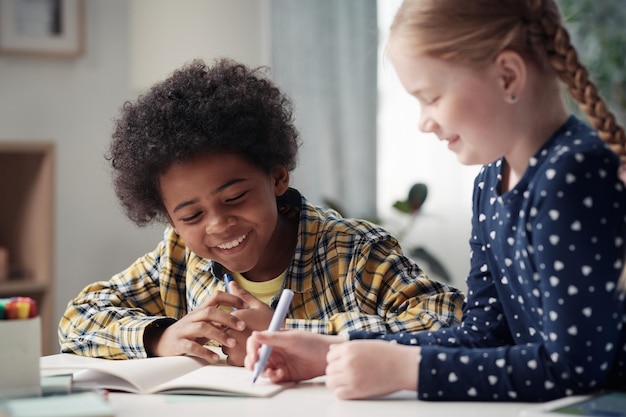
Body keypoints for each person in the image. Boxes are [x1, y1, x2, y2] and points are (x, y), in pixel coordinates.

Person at [244, 0, 626, 402]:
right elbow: (483, 335)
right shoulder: (490, 182)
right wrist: (334, 353)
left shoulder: (573, 175)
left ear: (508, 76)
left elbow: (574, 370)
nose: (424, 122)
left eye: (432, 97)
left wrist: (407, 369)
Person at [58, 58, 464, 365]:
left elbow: (450, 320)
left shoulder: (353, 252)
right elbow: (78, 319)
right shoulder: (177, 258)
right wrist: (159, 338)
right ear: (170, 220)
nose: (218, 225)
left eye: (234, 197)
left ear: (276, 177)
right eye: (191, 216)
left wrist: (287, 333)